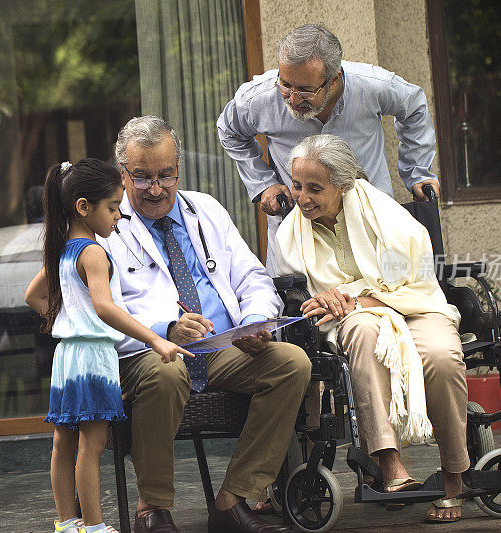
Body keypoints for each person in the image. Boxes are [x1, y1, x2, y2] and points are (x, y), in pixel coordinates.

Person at [105, 115, 309, 533]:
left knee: (292, 363)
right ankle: (153, 509)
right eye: (142, 177)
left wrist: (254, 324)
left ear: (178, 169)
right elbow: (103, 310)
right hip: (148, 352)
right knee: (167, 370)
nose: (156, 188)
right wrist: (165, 329)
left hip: (222, 347)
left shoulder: (207, 210)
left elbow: (252, 277)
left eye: (166, 175)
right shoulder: (108, 227)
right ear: (122, 175)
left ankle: (232, 500)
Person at [274, 134, 469, 524]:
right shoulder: (290, 233)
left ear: (343, 186)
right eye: (297, 186)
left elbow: (411, 277)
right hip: (349, 319)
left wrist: (357, 296)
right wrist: (332, 301)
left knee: (442, 358)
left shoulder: (385, 214)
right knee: (364, 332)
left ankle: (454, 475)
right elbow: (301, 294)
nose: (303, 198)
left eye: (316, 188)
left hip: (413, 305)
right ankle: (389, 464)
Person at [24, 158, 193, 533]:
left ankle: (68, 523)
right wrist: (154, 338)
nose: (118, 215)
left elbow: (33, 295)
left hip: (67, 355)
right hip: (93, 355)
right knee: (92, 445)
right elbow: (104, 307)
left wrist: (68, 322)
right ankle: (95, 526)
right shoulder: (94, 251)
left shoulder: (63, 247)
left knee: (63, 442)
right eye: (113, 207)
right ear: (83, 207)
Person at [217, 23, 440, 273]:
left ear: (334, 79)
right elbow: (229, 131)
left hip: (372, 228)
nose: (292, 98)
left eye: (305, 90)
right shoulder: (257, 99)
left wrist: (417, 172)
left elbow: (415, 108)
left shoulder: (374, 85)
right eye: (285, 84)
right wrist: (263, 184)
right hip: (298, 235)